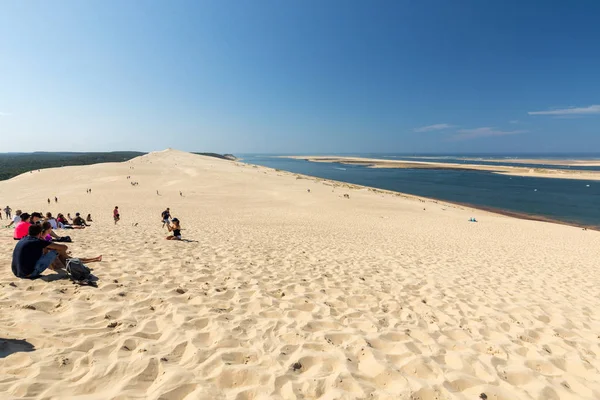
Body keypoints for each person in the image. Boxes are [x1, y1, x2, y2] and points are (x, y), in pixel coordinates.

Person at [11, 224, 102, 279]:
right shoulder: (37, 241)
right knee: (57, 251)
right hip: (28, 274)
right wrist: (55, 249)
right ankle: (74, 270)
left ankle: (73, 268)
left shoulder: (23, 240)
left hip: (17, 272)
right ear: (39, 233)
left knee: (56, 250)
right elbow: (64, 247)